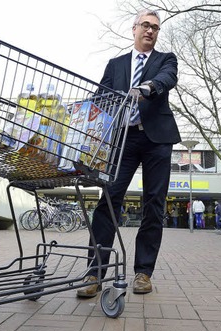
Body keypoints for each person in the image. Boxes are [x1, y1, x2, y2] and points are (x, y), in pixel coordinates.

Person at [77, 9, 180, 297]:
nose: (150, 31)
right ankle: (94, 274)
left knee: (154, 203)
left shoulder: (165, 60)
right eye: (145, 25)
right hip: (123, 140)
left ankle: (143, 273)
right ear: (133, 29)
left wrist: (147, 87)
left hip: (157, 139)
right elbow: (101, 97)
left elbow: (167, 78)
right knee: (109, 200)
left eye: (155, 28)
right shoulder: (116, 64)